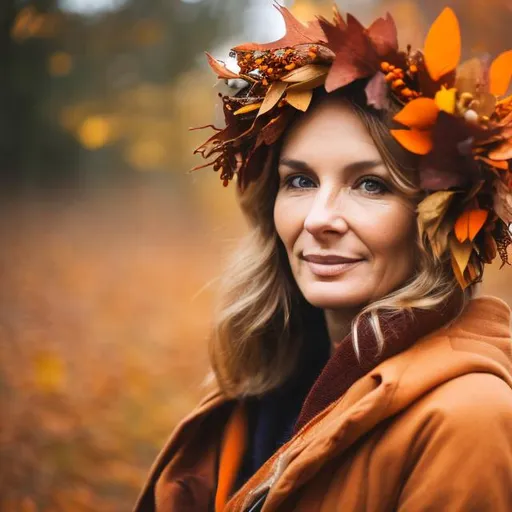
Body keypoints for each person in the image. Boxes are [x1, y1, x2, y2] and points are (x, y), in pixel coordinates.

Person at [134, 5, 512, 511]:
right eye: (301, 181)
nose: (318, 218)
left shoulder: (468, 420)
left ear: (438, 216)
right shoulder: (263, 386)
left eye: (370, 184)